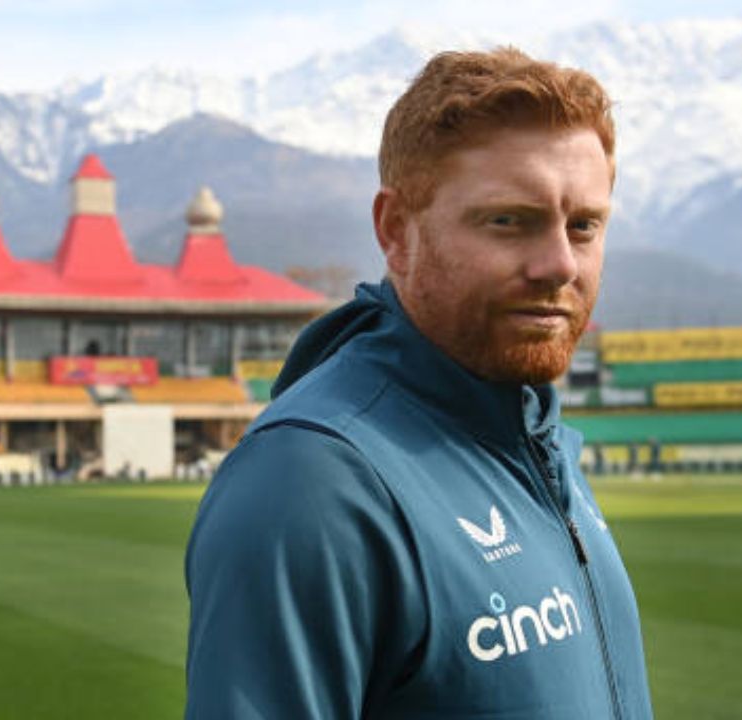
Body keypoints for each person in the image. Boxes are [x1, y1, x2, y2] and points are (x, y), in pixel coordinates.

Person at [185, 47, 653, 719]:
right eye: (508, 221)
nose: (558, 264)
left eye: (584, 226)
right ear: (396, 230)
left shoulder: (535, 440)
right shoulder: (309, 485)